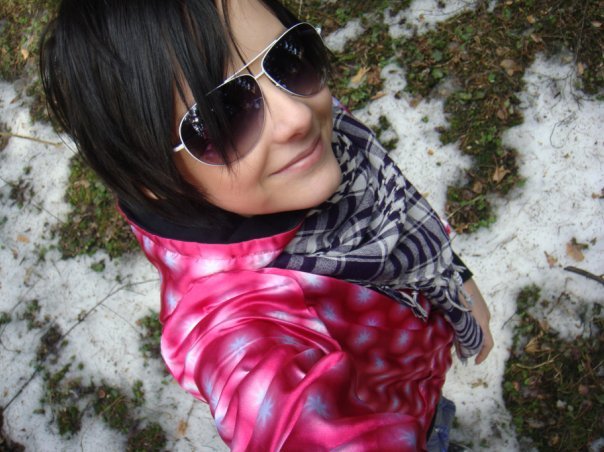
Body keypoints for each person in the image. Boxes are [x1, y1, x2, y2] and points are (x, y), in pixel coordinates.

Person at [40, 0, 493, 450]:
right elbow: (282, 415)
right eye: (224, 115)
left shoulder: (295, 141)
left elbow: (389, 197)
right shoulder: (238, 326)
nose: (297, 115)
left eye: (287, 57)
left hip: (421, 378)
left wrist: (457, 279)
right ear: (151, 177)